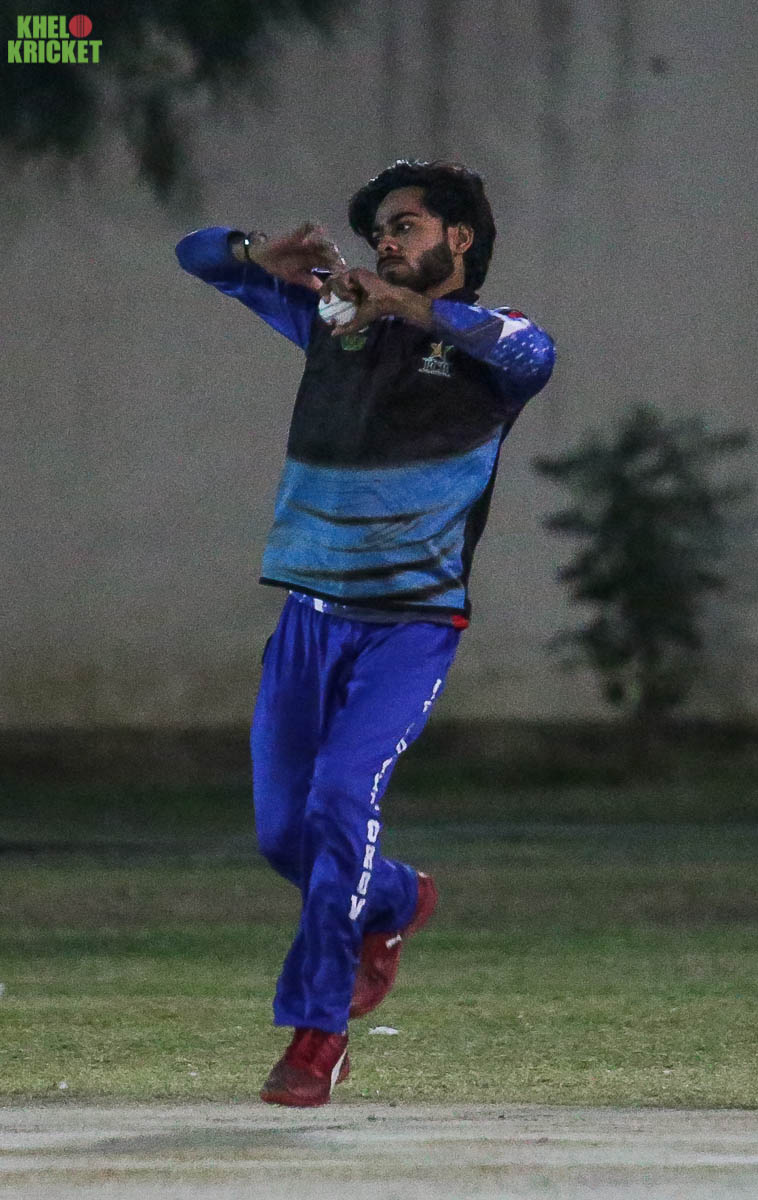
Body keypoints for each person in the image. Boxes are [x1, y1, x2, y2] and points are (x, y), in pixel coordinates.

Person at [175, 159, 555, 1107]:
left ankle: (318, 1036)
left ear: (458, 239)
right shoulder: (333, 319)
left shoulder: (492, 343)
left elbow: (531, 353)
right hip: (308, 618)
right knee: (283, 837)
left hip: (410, 627)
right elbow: (194, 254)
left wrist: (409, 308)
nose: (386, 241)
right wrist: (258, 255)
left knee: (342, 800)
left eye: (406, 226)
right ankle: (396, 898)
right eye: (379, 230)